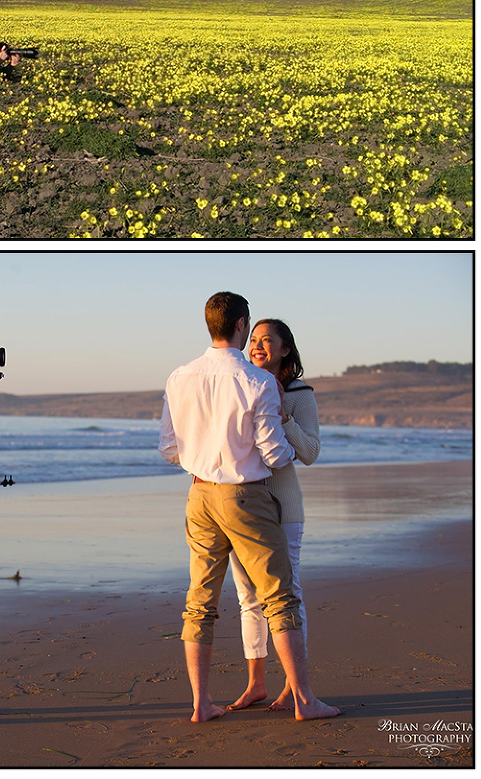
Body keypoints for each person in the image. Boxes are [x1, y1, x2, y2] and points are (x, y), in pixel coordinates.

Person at [158, 291, 339, 724]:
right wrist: (240, 459)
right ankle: (305, 701)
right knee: (279, 597)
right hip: (245, 496)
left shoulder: (179, 376)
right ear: (241, 325)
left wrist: (205, 458)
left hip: (198, 494)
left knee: (200, 602)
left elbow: (168, 447)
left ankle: (201, 704)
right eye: (252, 329)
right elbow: (276, 456)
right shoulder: (256, 382)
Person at [228, 319, 321, 712]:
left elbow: (312, 452)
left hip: (284, 508)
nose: (257, 346)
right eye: (253, 340)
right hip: (243, 507)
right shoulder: (242, 386)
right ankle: (256, 683)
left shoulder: (300, 394)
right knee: (249, 598)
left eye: (267, 340)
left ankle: (292, 685)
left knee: (288, 596)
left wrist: (283, 414)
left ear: (285, 349)